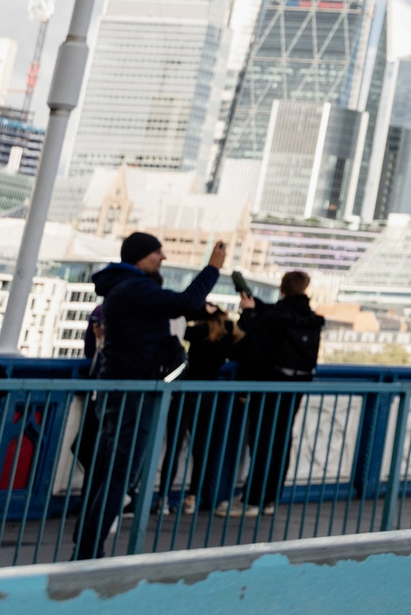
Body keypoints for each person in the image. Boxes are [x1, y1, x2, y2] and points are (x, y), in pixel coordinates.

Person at [76, 234, 227, 559]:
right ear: (140, 256)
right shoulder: (134, 288)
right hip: (133, 391)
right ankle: (88, 552)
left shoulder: (123, 287)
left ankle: (85, 545)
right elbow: (186, 303)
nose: (163, 256)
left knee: (108, 469)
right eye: (157, 252)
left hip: (121, 388)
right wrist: (212, 269)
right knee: (120, 472)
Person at [225, 271, 324, 518]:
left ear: (282, 288)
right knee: (282, 439)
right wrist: (255, 304)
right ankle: (270, 498)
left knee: (262, 440)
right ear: (305, 289)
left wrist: (248, 312)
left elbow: (255, 341)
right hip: (297, 385)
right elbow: (274, 315)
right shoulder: (309, 317)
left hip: (269, 384)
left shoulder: (275, 316)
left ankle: (252, 500)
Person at [173, 304, 241, 515]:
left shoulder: (198, 332)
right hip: (210, 395)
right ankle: (193, 496)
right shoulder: (226, 335)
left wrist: (198, 310)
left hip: (188, 392)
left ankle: (163, 498)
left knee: (175, 445)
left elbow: (179, 328)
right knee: (201, 447)